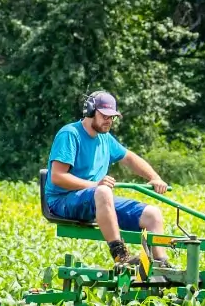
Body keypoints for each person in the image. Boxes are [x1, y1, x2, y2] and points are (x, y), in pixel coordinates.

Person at [42, 91, 175, 267]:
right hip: (62, 201)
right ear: (90, 112)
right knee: (104, 191)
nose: (109, 121)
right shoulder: (70, 134)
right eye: (104, 116)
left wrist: (154, 177)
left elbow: (129, 158)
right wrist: (96, 185)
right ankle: (121, 256)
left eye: (112, 117)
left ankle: (161, 264)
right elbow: (58, 177)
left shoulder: (105, 138)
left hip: (95, 198)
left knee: (153, 214)